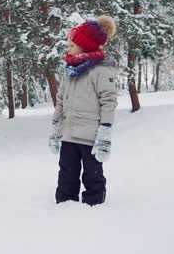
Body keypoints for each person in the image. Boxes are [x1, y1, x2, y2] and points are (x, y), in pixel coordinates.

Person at [48, 17, 119, 206]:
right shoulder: (70, 71)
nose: (68, 48)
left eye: (72, 45)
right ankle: (64, 204)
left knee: (92, 174)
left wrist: (105, 132)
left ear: (85, 46)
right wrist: (55, 128)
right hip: (69, 134)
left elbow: (108, 102)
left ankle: (94, 206)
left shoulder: (101, 71)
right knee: (66, 172)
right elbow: (61, 101)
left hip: (90, 136)